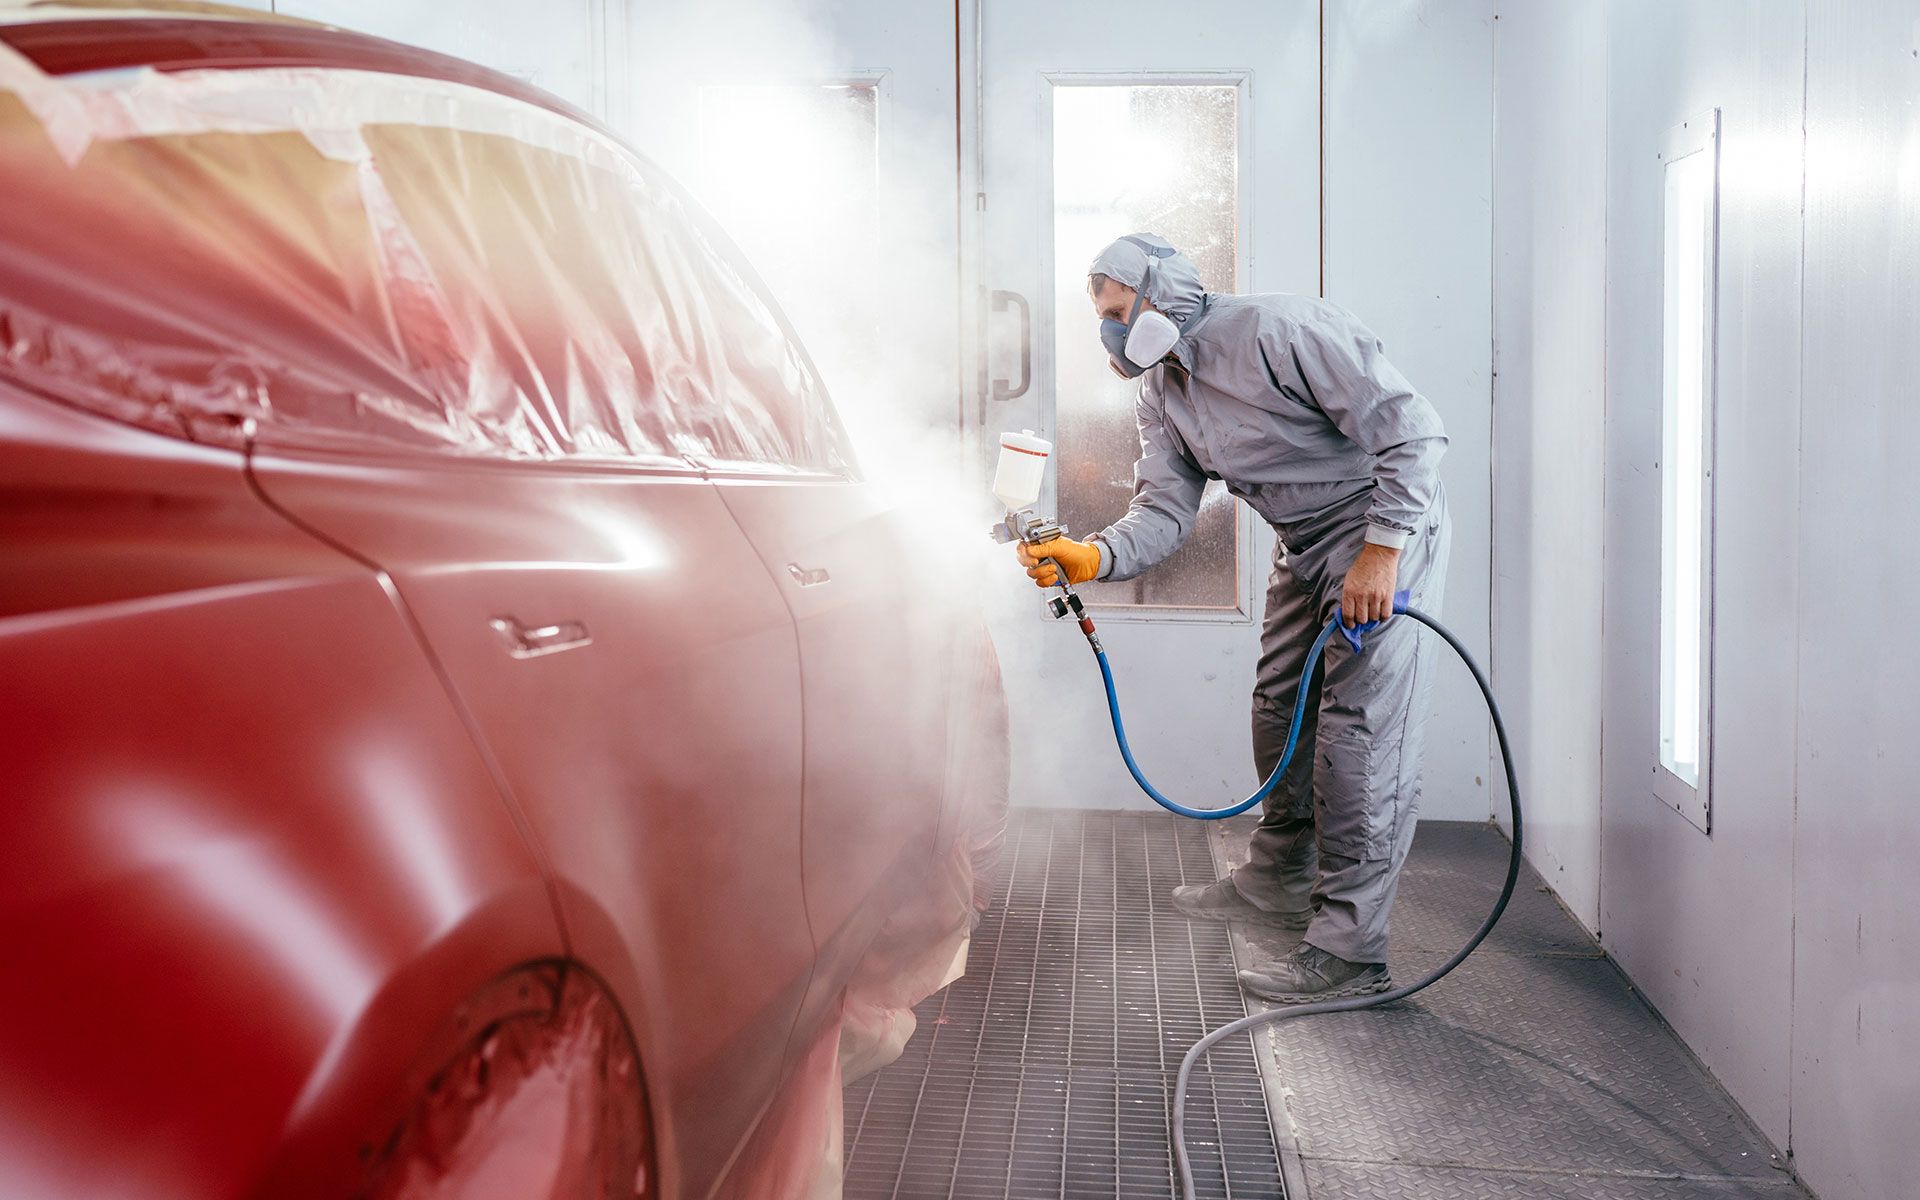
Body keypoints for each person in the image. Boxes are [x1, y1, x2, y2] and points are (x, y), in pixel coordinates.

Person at [1016, 233, 1451, 1003]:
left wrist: (1381, 553)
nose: (1114, 333)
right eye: (1103, 320)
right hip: (1304, 541)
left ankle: (1351, 950)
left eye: (1121, 311)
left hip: (1382, 530)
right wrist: (1094, 556)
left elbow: (1413, 432)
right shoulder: (1163, 394)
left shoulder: (1283, 330)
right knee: (1279, 706)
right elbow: (1163, 510)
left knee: (1360, 736)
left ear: (1164, 292)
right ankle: (1279, 877)